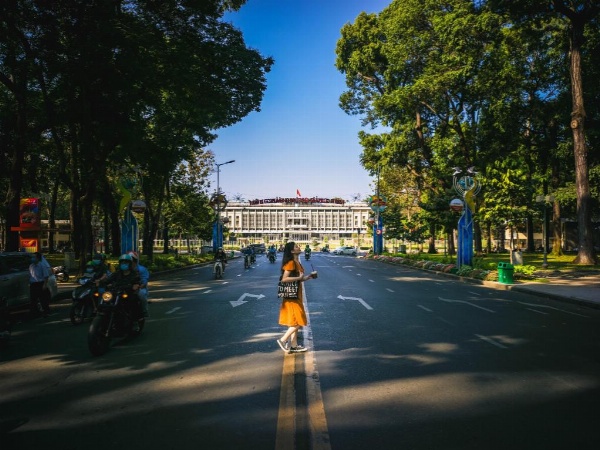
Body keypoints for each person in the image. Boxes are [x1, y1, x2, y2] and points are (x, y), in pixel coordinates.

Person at [276, 241, 316, 353]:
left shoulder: (296, 262)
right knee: (299, 321)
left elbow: (299, 278)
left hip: (296, 295)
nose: (299, 247)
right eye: (296, 246)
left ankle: (294, 346)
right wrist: (299, 278)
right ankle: (283, 340)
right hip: (291, 297)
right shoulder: (290, 263)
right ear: (292, 251)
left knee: (294, 322)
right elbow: (284, 279)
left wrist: (308, 277)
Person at [102, 254, 143, 330]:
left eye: (126, 263)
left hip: (127, 293)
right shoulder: (117, 273)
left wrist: (135, 285)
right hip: (116, 292)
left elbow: (137, 281)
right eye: (122, 263)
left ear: (130, 264)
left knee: (133, 300)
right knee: (106, 301)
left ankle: (135, 321)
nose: (124, 264)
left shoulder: (134, 274)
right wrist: (103, 282)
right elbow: (108, 280)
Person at [29, 252, 52, 317]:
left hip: (40, 283)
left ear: (38, 258)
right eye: (32, 257)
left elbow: (46, 276)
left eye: (34, 257)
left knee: (43, 299)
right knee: (33, 299)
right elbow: (31, 275)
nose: (32, 259)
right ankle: (34, 313)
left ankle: (46, 311)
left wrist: (44, 284)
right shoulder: (31, 266)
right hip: (33, 284)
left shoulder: (42, 265)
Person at [128, 251, 150, 318]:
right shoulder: (123, 269)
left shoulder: (141, 269)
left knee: (141, 294)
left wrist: (140, 286)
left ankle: (144, 311)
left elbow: (144, 280)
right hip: (125, 288)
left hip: (137, 289)